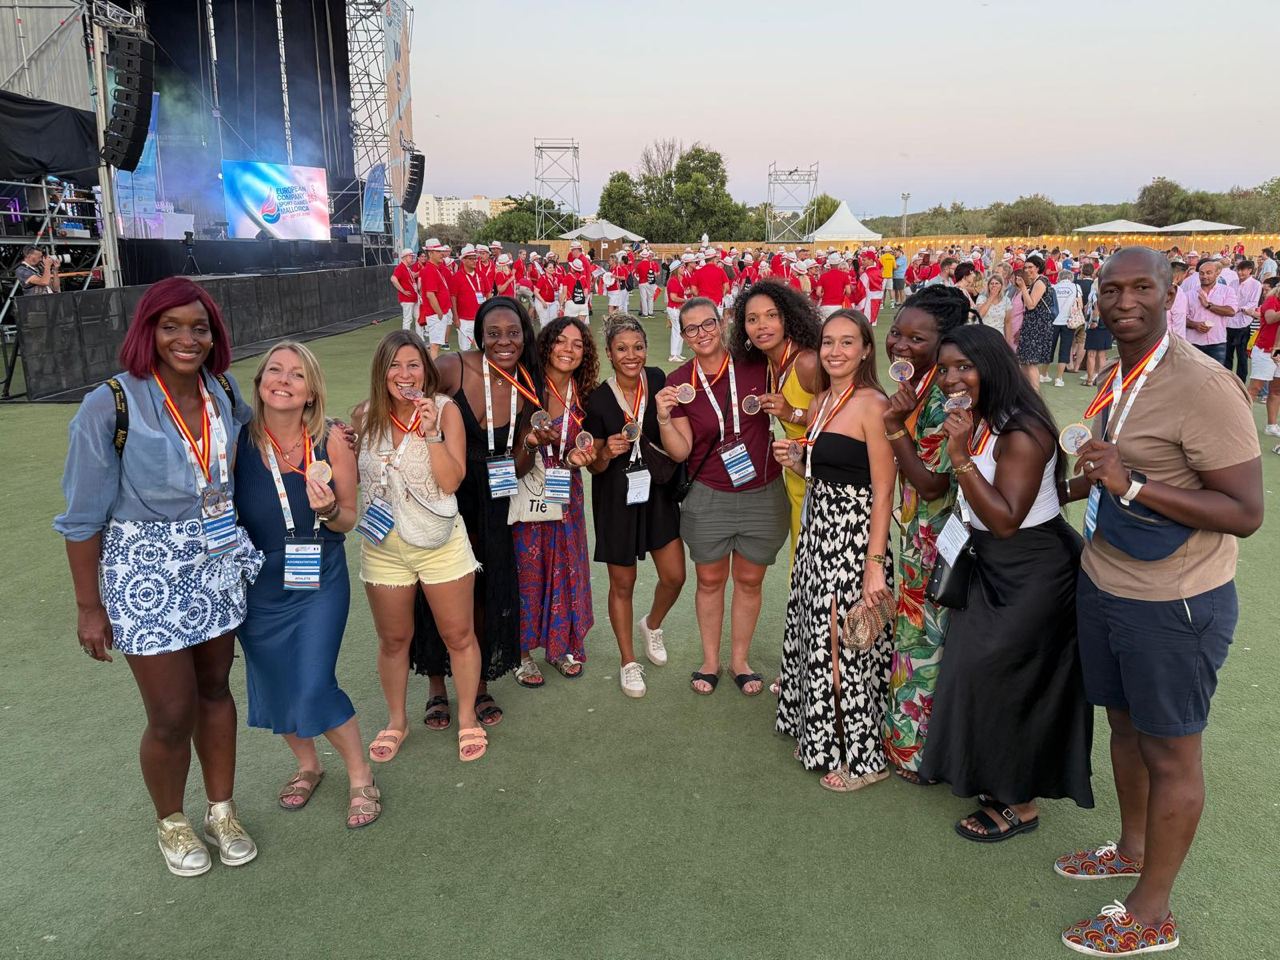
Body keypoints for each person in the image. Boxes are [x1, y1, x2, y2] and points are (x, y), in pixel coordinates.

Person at [1055, 248, 1262, 957]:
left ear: (1172, 293)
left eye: (1143, 287)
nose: (1124, 301)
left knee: (1172, 752)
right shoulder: (1119, 374)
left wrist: (1134, 484)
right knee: (1126, 728)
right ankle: (1132, 847)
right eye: (1111, 288)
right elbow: (1102, 471)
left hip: (1175, 601)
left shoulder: (1204, 384)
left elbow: (1244, 510)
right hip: (1108, 579)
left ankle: (1152, 912)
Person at [55, 277, 262, 876]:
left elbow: (258, 442)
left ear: (213, 335)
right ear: (148, 330)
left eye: (198, 327)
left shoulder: (221, 390)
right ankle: (171, 822)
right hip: (144, 572)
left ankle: (221, 810)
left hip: (215, 561)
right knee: (171, 713)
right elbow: (81, 516)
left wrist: (332, 433)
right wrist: (89, 606)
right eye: (170, 326)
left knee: (217, 690)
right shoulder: (111, 404)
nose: (186, 338)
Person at [918, 325, 1093, 840]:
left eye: (963, 367)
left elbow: (1007, 519)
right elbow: (1040, 493)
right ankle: (996, 781)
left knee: (1012, 679)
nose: (951, 378)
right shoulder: (985, 418)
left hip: (1032, 569)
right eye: (946, 368)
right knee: (981, 673)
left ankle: (1022, 802)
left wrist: (959, 457)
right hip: (993, 562)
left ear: (991, 365)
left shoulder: (1022, 428)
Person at [233, 342, 379, 827]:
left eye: (297, 375)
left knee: (314, 682)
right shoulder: (235, 442)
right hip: (259, 582)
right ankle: (307, 765)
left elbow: (350, 519)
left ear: (312, 392)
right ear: (258, 383)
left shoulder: (333, 439)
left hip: (319, 572)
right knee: (275, 682)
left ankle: (361, 777)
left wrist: (329, 510)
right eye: (274, 370)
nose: (283, 380)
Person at [773, 309, 896, 792]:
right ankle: (827, 734)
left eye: (848, 342)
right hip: (818, 534)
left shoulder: (872, 404)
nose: (836, 351)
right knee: (817, 634)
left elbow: (883, 490)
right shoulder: (824, 400)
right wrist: (799, 462)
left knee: (845, 642)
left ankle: (865, 759)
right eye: (828, 342)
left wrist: (875, 566)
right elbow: (830, 475)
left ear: (866, 349)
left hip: (853, 539)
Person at [353, 330, 486, 765]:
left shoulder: (444, 412)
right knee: (393, 639)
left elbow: (451, 482)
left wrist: (430, 433)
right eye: (394, 365)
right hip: (383, 546)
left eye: (413, 364)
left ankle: (467, 717)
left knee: (458, 635)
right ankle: (396, 721)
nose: (404, 374)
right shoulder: (364, 415)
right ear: (381, 371)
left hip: (440, 542)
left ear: (425, 371)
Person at [410, 297, 541, 729]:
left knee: (485, 589)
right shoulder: (453, 367)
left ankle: (478, 683)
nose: (504, 341)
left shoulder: (527, 381)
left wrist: (532, 444)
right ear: (478, 335)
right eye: (494, 333)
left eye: (513, 333)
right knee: (436, 587)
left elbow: (519, 465)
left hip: (494, 499)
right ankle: (435, 685)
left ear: (525, 334)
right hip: (446, 494)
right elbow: (409, 406)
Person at [654, 298, 789, 696]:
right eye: (691, 328)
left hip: (762, 491)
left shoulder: (757, 365)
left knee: (750, 580)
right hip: (708, 494)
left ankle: (739, 661)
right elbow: (680, 451)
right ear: (683, 335)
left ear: (723, 321)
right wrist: (663, 417)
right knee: (710, 580)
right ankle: (710, 661)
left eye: (708, 323)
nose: (702, 333)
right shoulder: (679, 381)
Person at [880, 285, 963, 783]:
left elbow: (931, 484)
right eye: (896, 332)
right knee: (917, 639)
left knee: (923, 642)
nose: (900, 345)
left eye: (917, 337)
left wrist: (895, 426)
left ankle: (916, 754)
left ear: (945, 340)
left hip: (941, 538)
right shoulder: (922, 386)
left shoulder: (946, 395)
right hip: (920, 536)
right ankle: (914, 745)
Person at [583, 316, 686, 697]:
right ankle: (628, 661)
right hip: (615, 496)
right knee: (622, 583)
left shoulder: (659, 380)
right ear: (609, 353)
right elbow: (592, 462)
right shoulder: (595, 399)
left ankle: (652, 624)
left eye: (638, 347)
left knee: (675, 576)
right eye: (622, 349)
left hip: (656, 491)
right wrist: (604, 452)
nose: (632, 355)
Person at [512, 317, 598, 687]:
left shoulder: (585, 394)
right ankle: (522, 653)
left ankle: (562, 645)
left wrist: (589, 456)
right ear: (546, 346)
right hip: (528, 489)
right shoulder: (525, 390)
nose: (568, 349)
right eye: (561, 341)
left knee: (565, 564)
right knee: (527, 569)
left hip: (566, 493)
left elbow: (596, 450)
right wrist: (530, 443)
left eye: (577, 344)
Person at [730, 280, 821, 564]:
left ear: (787, 318)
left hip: (823, 476)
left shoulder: (806, 363)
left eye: (772, 315)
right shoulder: (768, 361)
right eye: (752, 319)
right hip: (796, 473)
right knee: (801, 561)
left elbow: (844, 420)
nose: (762, 326)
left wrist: (792, 412)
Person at [1181, 257, 1237, 365]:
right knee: (1193, 376)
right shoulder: (1189, 294)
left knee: (1216, 378)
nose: (1204, 276)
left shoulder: (1227, 291)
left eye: (1208, 273)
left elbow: (1231, 311)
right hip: (1193, 343)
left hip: (1217, 343)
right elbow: (1181, 318)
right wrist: (1194, 325)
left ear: (1217, 273)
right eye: (1201, 273)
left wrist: (1208, 305)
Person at [1014, 255, 1057, 388]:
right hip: (1033, 325)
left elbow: (1031, 304)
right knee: (1026, 362)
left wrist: (1022, 287)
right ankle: (1030, 393)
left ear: (1038, 267)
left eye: (1030, 267)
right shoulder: (1036, 282)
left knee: (1031, 363)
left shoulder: (1040, 282)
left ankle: (1035, 395)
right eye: (1025, 267)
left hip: (1037, 327)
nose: (1027, 270)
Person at [1247, 283, 1280, 433]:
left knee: (1276, 390)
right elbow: (1271, 318)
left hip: (1277, 351)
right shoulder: (1271, 299)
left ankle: (1271, 426)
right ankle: (1241, 423)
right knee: (1255, 388)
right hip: (1265, 350)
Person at [417, 239, 452, 360]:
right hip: (436, 314)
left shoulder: (436, 268)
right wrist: (439, 312)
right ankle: (433, 372)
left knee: (436, 344)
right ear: (430, 253)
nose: (442, 254)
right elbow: (430, 295)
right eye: (438, 251)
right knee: (435, 345)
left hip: (439, 312)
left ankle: (434, 370)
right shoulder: (430, 270)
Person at [1226, 260, 1261, 383]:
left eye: (1242, 270)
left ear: (1249, 270)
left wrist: (1242, 309)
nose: (1239, 273)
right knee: (1227, 354)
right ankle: (1226, 380)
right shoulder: (1233, 283)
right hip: (1229, 322)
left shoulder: (1256, 285)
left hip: (1243, 323)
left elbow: (1253, 302)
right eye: (1238, 270)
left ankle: (1240, 382)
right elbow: (1228, 298)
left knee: (1242, 356)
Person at [1049, 267, 1083, 386]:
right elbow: (1080, 305)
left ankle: (1044, 374)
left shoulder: (1053, 287)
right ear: (1071, 277)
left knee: (1049, 348)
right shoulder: (1076, 287)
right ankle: (1059, 378)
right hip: (1069, 322)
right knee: (1065, 349)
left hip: (1053, 321)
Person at [449, 244, 485, 350]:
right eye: (471, 259)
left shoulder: (481, 275)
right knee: (465, 350)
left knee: (482, 348)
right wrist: (455, 317)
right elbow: (453, 298)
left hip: (480, 318)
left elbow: (488, 293)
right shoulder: (456, 277)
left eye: (475, 258)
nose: (475, 261)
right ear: (463, 260)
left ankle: (481, 367)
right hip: (463, 319)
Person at [665, 254, 691, 362]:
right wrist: (685, 300)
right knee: (677, 331)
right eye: (681, 267)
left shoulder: (677, 280)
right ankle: (673, 355)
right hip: (674, 308)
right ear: (676, 270)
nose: (683, 269)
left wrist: (685, 294)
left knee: (679, 331)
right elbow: (673, 297)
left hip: (676, 308)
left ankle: (677, 354)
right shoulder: (674, 281)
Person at [392, 248, 418, 331]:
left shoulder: (407, 268)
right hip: (407, 298)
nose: (412, 259)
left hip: (413, 297)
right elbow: (393, 279)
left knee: (418, 318)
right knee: (408, 319)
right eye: (411, 257)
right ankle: (405, 338)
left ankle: (420, 337)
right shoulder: (400, 268)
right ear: (405, 257)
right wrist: (403, 291)